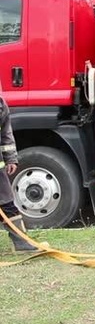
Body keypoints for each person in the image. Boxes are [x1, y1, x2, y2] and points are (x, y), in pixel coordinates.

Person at [0, 95, 35, 252]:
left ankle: (21, 242)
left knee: (6, 203)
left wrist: (11, 158)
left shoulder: (1, 105)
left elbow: (6, 133)